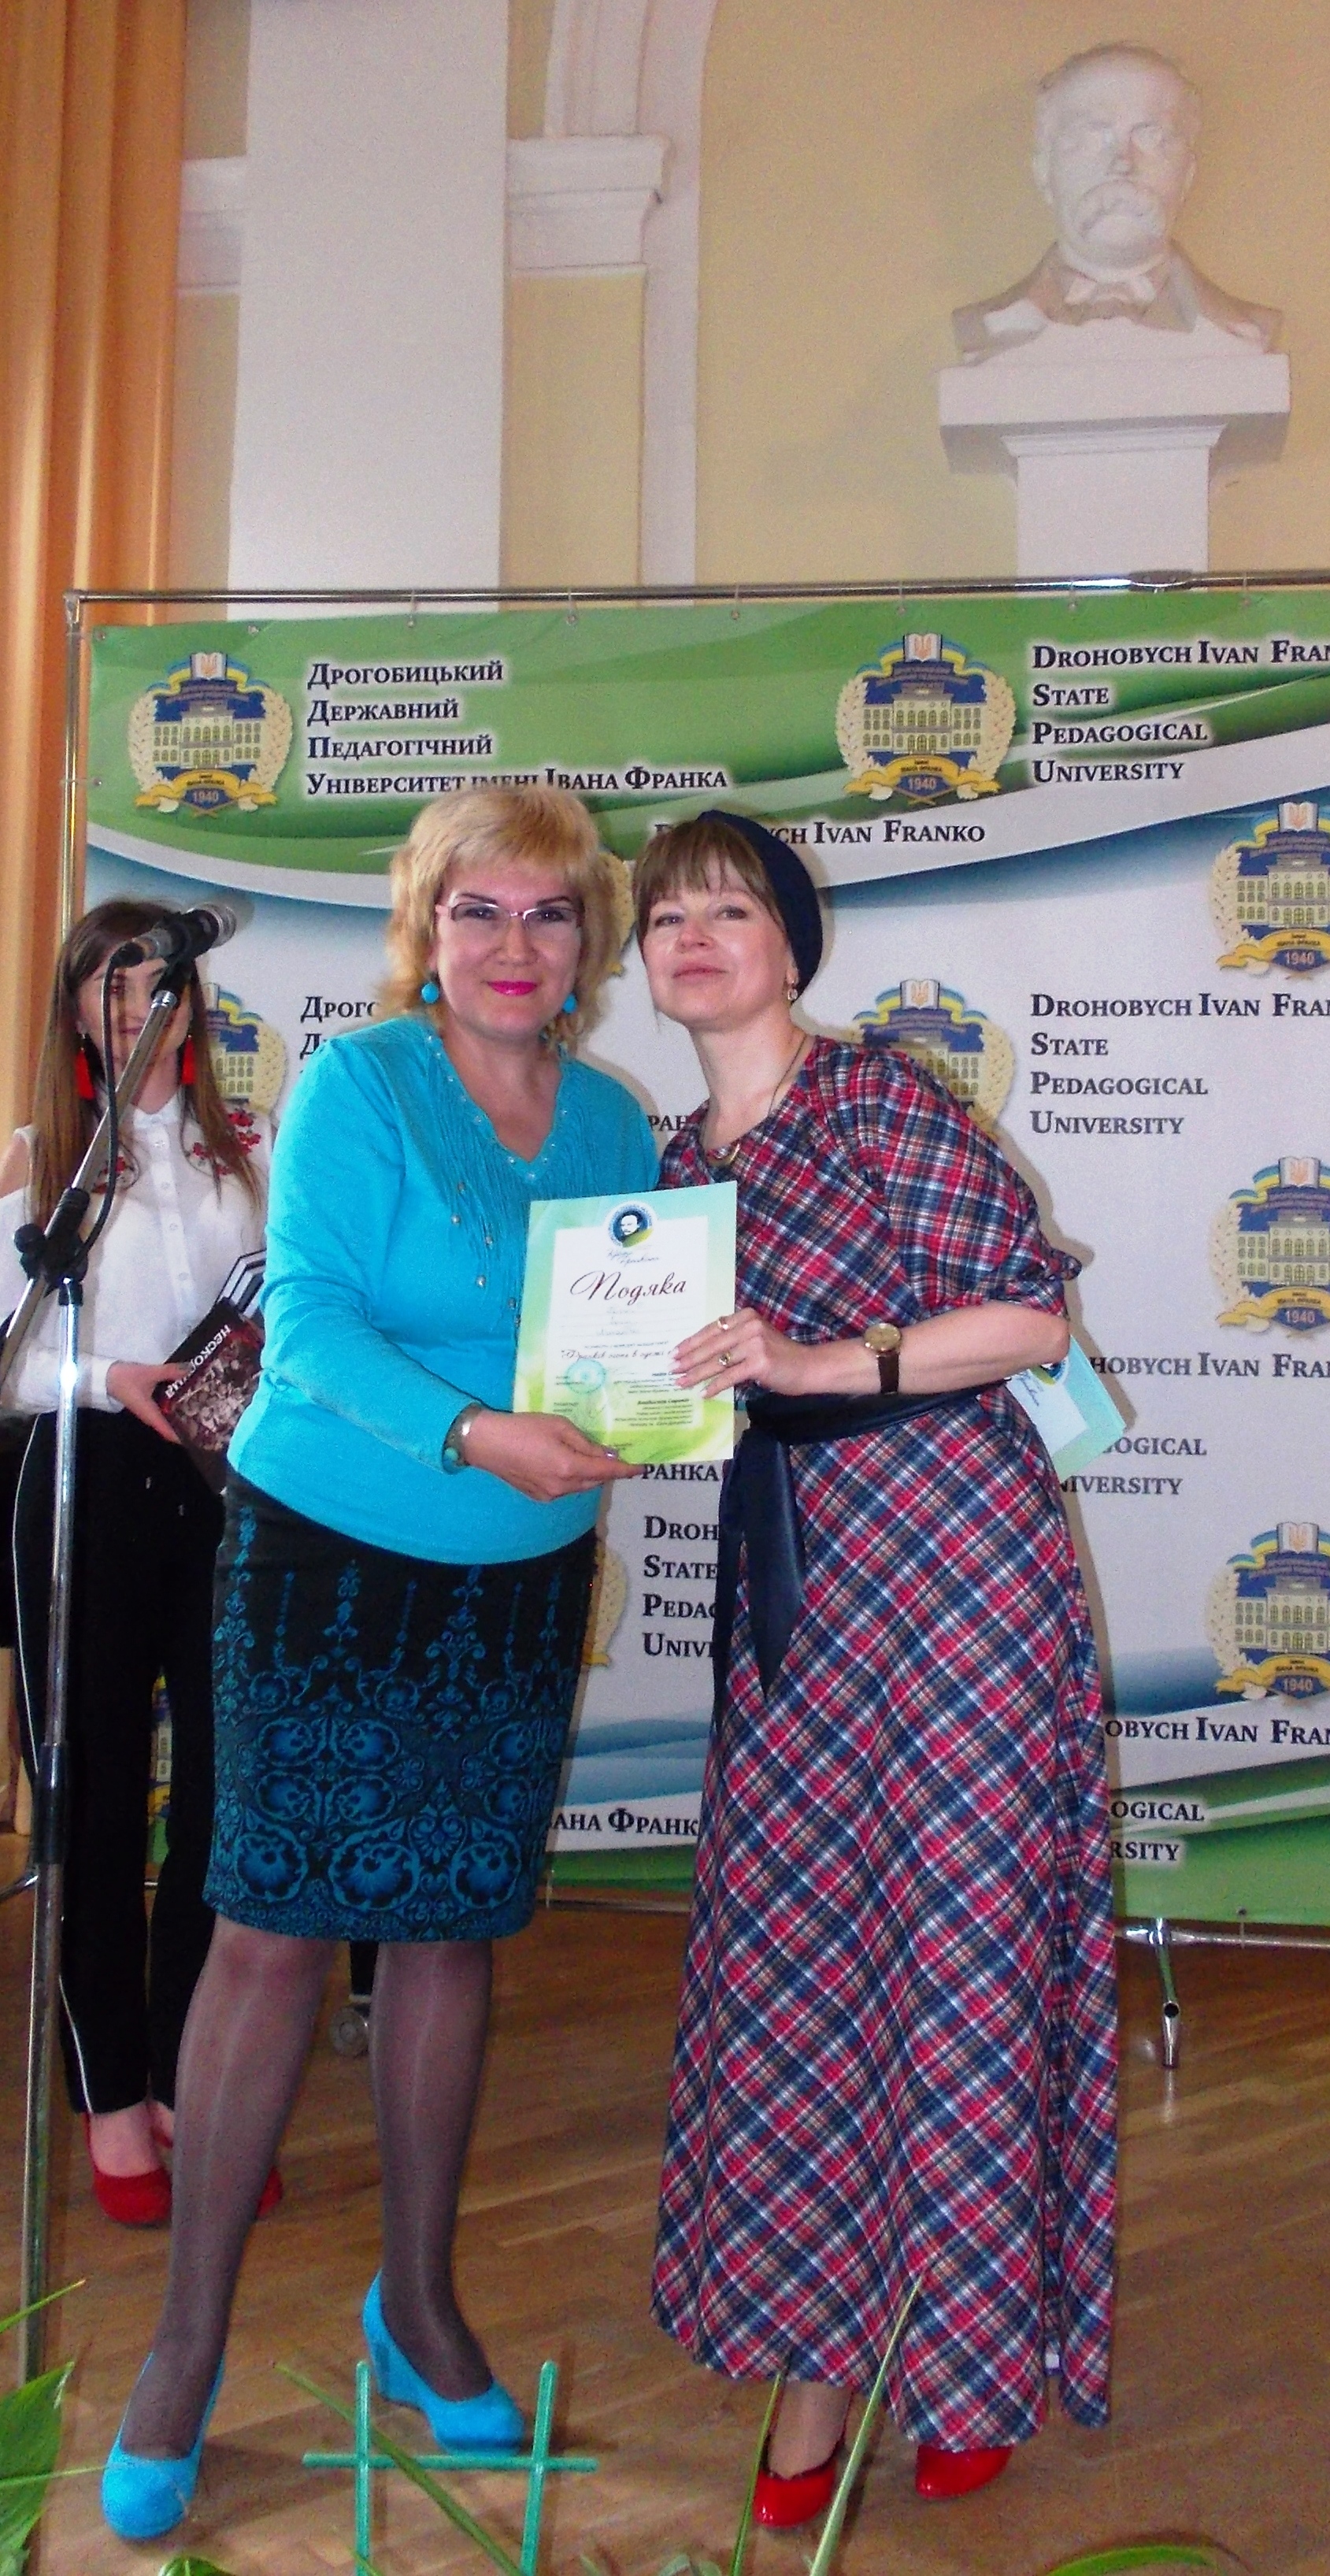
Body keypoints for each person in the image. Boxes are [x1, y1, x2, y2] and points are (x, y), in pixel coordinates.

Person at [102, 783, 657, 2544]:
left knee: (448, 1929)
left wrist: (650, 1401)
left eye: (548, 913)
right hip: (329, 1553)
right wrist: (477, 1430)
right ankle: (184, 2348)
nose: (513, 944)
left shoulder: (613, 1120)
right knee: (269, 1928)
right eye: (478, 910)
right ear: (427, 927)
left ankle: (414, 2312)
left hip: (518, 1576)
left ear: (589, 938)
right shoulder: (358, 1083)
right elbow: (314, 1327)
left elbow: (621, 1336)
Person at [636, 812, 1115, 2524]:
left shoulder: (873, 1101)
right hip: (796, 1589)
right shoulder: (664, 1164)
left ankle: (966, 2363)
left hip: (953, 1569)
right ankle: (813, 2367)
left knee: (958, 1963)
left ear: (791, 940)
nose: (695, 936)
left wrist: (818, 1360)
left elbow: (1029, 1321)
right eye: (665, 916)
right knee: (795, 1978)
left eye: (729, 908)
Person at [0, 899, 269, 2224]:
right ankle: (110, 2095)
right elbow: (5, 1361)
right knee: (97, 1799)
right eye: (110, 983)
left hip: (219, 1488)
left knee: (221, 1801)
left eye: (157, 978)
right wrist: (107, 1374)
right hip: (79, 1483)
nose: (137, 1003)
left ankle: (186, 2079)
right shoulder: (38, 1164)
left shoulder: (249, 1154)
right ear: (74, 1011)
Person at [954, 43, 1278, 358]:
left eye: (1152, 136)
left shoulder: (1244, 331)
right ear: (1043, 172)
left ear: (1188, 176)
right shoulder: (987, 328)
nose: (1123, 163)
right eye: (1091, 136)